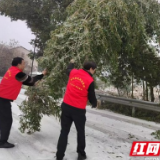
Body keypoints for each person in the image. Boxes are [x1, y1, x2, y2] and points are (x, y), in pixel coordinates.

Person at [0, 57, 47, 148]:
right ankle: (2, 142)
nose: (24, 65)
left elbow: (28, 82)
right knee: (7, 120)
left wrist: (34, 82)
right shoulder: (18, 73)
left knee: (3, 119)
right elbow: (31, 80)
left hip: (1, 98)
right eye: (23, 63)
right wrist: (42, 74)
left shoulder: (12, 70)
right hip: (3, 99)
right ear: (18, 64)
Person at [56, 60, 97, 160]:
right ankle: (81, 154)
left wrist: (71, 62)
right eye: (94, 70)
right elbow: (91, 96)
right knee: (80, 132)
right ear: (91, 69)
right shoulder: (90, 80)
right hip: (78, 110)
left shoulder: (73, 72)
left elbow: (68, 69)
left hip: (66, 106)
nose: (94, 72)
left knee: (64, 132)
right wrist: (94, 103)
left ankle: (59, 156)